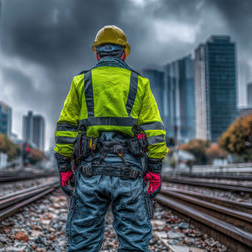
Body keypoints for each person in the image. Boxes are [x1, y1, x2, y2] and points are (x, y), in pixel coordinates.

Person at [54, 25, 168, 251]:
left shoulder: (81, 81)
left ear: (97, 53)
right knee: (135, 242)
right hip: (130, 171)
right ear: (124, 52)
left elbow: (66, 127)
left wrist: (64, 166)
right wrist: (154, 170)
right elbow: (155, 131)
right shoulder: (140, 83)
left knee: (83, 242)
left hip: (89, 171)